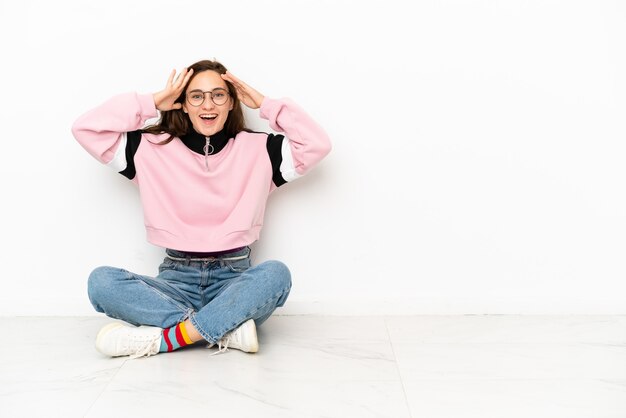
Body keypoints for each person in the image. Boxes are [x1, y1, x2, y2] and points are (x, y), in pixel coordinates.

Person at [71, 59, 331, 358]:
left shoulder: (261, 149)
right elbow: (86, 129)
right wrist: (152, 102)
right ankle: (224, 329)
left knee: (275, 275)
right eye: (196, 96)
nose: (208, 104)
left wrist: (265, 104)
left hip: (234, 283)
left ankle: (167, 339)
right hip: (175, 280)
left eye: (218, 94)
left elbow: (317, 144)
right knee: (101, 282)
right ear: (182, 103)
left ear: (231, 102)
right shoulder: (148, 148)